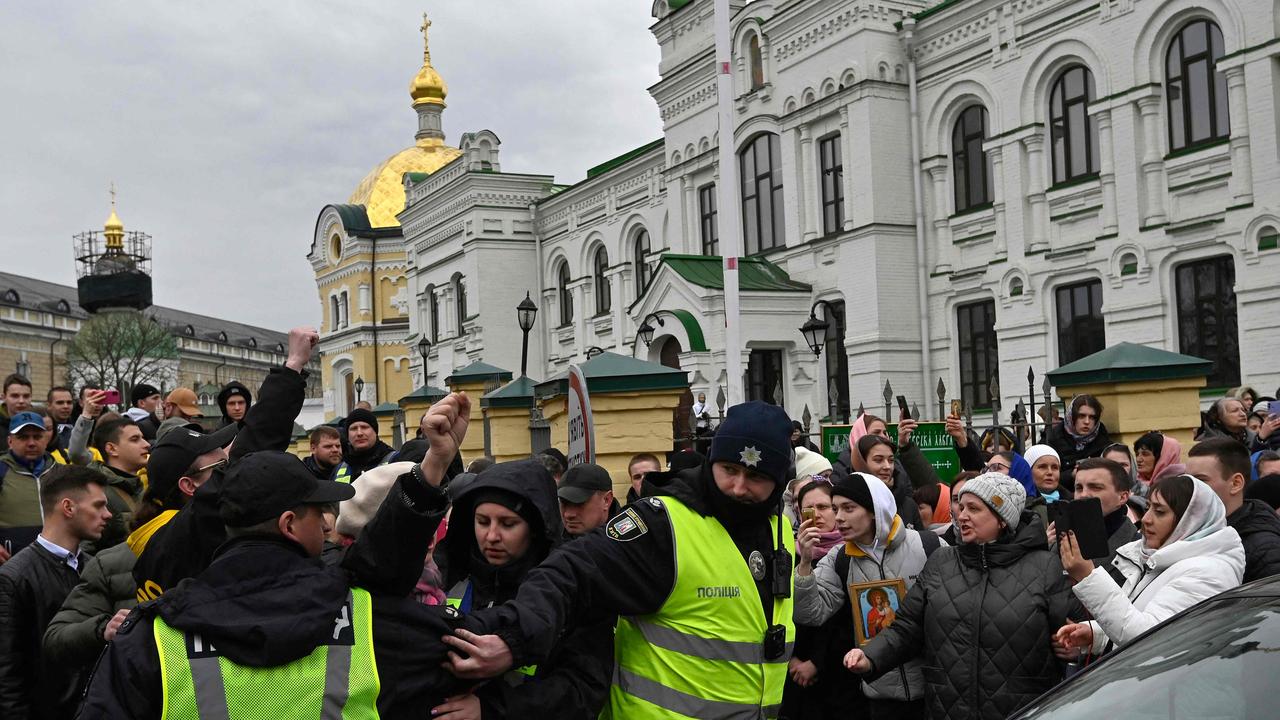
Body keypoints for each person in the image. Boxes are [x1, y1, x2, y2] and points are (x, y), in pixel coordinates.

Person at [79, 393, 499, 718]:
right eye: (319, 510)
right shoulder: (362, 615)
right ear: (289, 525)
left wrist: (433, 466)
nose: (327, 521)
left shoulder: (153, 633)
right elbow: (383, 571)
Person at [446, 400, 799, 719]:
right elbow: (567, 572)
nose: (739, 488)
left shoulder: (780, 528)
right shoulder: (663, 525)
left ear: (780, 478)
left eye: (755, 476)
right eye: (729, 470)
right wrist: (516, 640)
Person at [843, 472, 1074, 720]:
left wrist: (1073, 649)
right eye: (961, 507)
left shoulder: (1044, 566)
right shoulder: (942, 563)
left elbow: (1070, 634)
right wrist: (870, 657)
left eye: (974, 509)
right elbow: (906, 627)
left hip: (1022, 709)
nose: (962, 515)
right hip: (948, 709)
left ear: (1002, 518)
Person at [131, 326, 319, 596]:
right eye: (220, 466)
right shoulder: (193, 529)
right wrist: (292, 367)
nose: (229, 462)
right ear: (189, 485)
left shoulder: (164, 539)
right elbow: (255, 444)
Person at [434, 458, 613, 719]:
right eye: (483, 521)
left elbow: (583, 690)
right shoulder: (446, 575)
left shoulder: (574, 590)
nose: (492, 536)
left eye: (508, 524)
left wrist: (490, 709)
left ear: (535, 528)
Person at [796, 472, 940, 720]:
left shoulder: (930, 546)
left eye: (848, 508)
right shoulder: (839, 559)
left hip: (935, 687)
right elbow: (811, 613)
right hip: (880, 694)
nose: (839, 517)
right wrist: (805, 565)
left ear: (874, 509)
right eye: (835, 509)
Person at [1056, 474, 1245, 656]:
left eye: (1160, 511)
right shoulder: (1164, 559)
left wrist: (1088, 577)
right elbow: (1149, 619)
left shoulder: (1207, 573)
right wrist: (1098, 635)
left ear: (1190, 521)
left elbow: (1151, 640)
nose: (1146, 519)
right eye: (1148, 508)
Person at [0, 465, 112, 720]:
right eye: (98, 505)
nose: (107, 514)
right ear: (68, 507)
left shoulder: (97, 567)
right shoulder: (15, 578)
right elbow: (7, 671)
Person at [781, 477, 854, 720]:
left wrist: (817, 662)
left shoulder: (850, 553)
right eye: (809, 510)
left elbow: (847, 619)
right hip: (794, 673)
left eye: (825, 508)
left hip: (840, 673)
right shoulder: (788, 553)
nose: (818, 516)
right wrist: (792, 660)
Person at [1186, 438, 1280, 582]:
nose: (1190, 488)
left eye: (1200, 480)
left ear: (1236, 483)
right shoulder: (1191, 529)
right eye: (1187, 480)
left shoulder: (1265, 548)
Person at [1069, 458, 1141, 584]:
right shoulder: (1062, 540)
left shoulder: (1138, 549)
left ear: (1122, 497)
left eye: (1095, 487)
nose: (1083, 495)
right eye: (1079, 488)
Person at [82, 417, 149, 551]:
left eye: (143, 438)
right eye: (135, 439)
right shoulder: (95, 491)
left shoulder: (142, 487)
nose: (146, 444)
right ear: (112, 449)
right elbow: (84, 549)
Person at [0, 412, 59, 562]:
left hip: (56, 560)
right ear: (10, 441)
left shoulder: (60, 471)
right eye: (23, 437)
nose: (31, 443)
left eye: (37, 437)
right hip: (10, 563)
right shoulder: (1, 470)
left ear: (46, 440)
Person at [855, 435, 926, 530]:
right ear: (861, 463)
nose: (887, 466)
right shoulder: (848, 503)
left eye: (891, 460)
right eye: (878, 460)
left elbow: (920, 541)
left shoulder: (908, 504)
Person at [1042, 394, 1111, 489]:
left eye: (1092, 417)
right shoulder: (1053, 439)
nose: (1087, 421)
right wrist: (1071, 475)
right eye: (1081, 416)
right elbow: (1044, 476)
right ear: (1072, 416)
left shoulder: (1103, 440)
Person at [557, 462, 619, 538]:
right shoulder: (550, 539)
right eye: (564, 503)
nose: (568, 515)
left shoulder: (629, 545)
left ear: (606, 500)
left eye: (579, 504)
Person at [341, 407, 395, 483]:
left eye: (364, 427)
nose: (359, 433)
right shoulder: (340, 467)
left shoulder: (394, 460)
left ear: (375, 432)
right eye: (353, 428)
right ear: (347, 435)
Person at [1133, 431, 1185, 495]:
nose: (1138, 459)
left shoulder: (1180, 487)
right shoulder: (1136, 485)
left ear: (1164, 457)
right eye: (1137, 454)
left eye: (1145, 454)